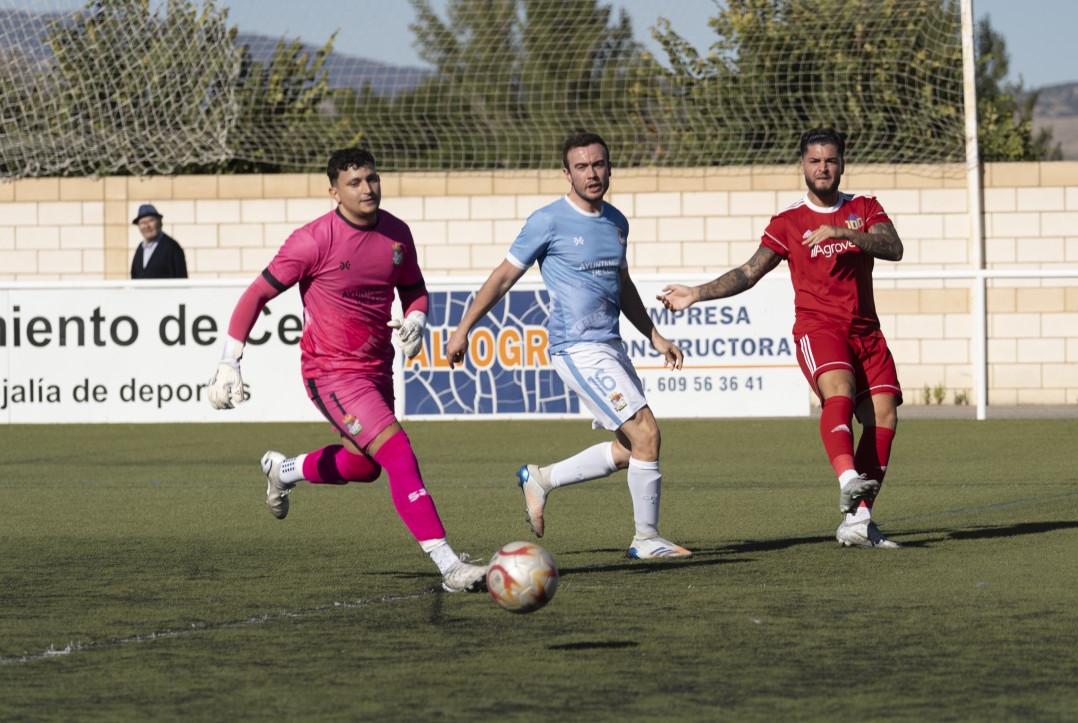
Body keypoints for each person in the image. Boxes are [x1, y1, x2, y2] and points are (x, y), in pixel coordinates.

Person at [206, 147, 488, 593]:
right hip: (331, 372)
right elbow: (256, 295)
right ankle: (449, 565)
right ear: (334, 192)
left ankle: (286, 471)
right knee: (397, 453)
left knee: (364, 466)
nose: (367, 188)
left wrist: (416, 319)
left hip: (376, 368)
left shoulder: (397, 234)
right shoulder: (312, 240)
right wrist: (229, 360)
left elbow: (414, 289)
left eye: (372, 179)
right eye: (355, 183)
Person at [445, 132, 692, 560]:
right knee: (647, 432)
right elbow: (504, 276)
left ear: (609, 168)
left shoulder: (617, 222)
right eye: (582, 167)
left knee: (631, 447)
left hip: (610, 346)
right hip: (576, 348)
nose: (591, 174)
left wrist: (653, 335)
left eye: (598, 165)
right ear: (567, 173)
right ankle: (646, 539)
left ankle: (541, 479)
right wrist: (464, 327)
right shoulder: (547, 221)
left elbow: (623, 284)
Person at [660, 127, 905, 549]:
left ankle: (859, 521)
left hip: (867, 331)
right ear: (802, 166)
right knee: (839, 393)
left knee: (883, 418)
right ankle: (848, 479)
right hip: (819, 328)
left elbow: (893, 246)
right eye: (814, 161)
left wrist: (844, 233)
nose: (823, 168)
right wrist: (696, 294)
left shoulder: (864, 207)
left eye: (830, 160)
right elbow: (749, 272)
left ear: (842, 164)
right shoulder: (788, 221)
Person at [130, 203, 188, 279]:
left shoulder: (172, 247)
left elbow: (181, 279)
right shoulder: (140, 248)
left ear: (160, 223)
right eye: (143, 222)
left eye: (151, 220)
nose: (147, 226)